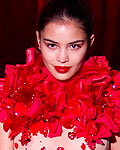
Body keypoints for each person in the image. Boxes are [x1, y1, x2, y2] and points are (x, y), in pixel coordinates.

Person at [0, 0, 120, 149]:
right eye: (52, 45)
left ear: (90, 42)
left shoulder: (110, 99)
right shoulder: (13, 96)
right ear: (38, 40)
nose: (62, 58)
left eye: (74, 46)